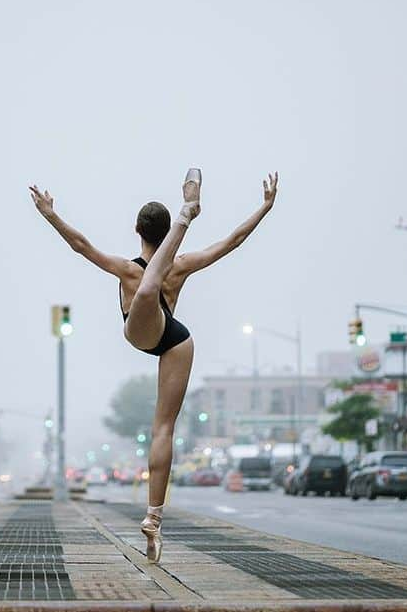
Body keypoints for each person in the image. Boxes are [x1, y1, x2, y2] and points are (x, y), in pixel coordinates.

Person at [30, 168, 278, 562]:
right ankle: (187, 214)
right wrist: (264, 208)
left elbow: (81, 244)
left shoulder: (132, 268)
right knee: (148, 288)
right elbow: (232, 241)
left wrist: (49, 214)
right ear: (164, 234)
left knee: (163, 426)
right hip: (154, 325)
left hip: (159, 335)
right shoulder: (174, 267)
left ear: (136, 229)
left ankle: (153, 519)